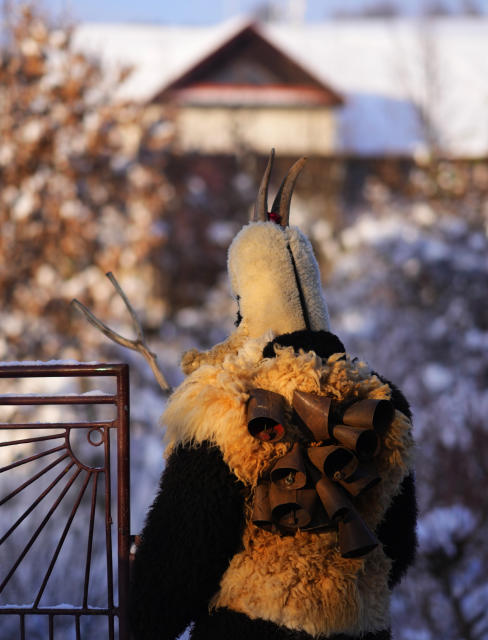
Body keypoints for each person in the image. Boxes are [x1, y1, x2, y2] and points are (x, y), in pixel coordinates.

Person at [129, 152, 417, 640]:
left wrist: (143, 619)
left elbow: (183, 554)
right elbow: (399, 548)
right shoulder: (383, 403)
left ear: (245, 301)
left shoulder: (225, 404)